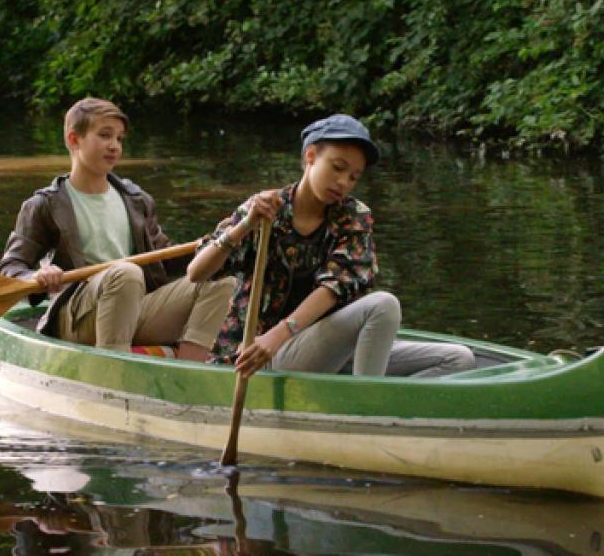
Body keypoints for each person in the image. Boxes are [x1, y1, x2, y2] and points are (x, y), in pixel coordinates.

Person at [187, 114, 475, 378]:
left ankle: (374, 408)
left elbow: (333, 289)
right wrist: (245, 224)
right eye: (337, 168)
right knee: (383, 305)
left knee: (458, 360)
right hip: (257, 357)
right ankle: (364, 407)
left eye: (353, 177)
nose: (343, 182)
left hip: (311, 346)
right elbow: (196, 272)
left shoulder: (353, 217)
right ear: (310, 156)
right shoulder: (266, 208)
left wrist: (278, 335)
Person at [0, 97, 235, 361]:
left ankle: (192, 373)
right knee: (126, 273)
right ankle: (113, 370)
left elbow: (166, 259)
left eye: (119, 139)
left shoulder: (137, 200)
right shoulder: (45, 204)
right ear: (73, 140)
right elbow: (10, 268)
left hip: (133, 306)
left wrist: (218, 242)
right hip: (77, 318)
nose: (114, 146)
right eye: (105, 136)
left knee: (221, 280)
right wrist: (35, 276)